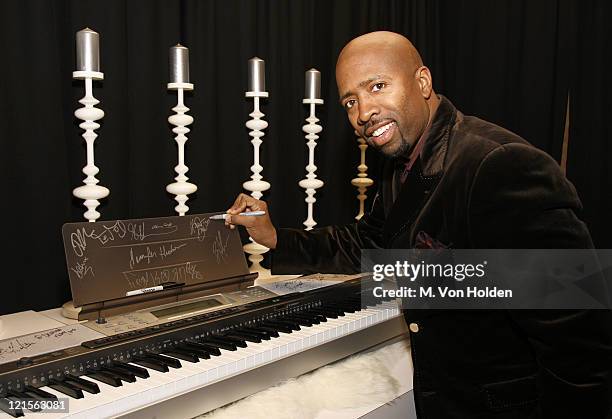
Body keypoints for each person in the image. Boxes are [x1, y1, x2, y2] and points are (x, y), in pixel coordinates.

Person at [225, 31, 612, 418]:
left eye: (378, 86)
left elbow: (579, 340)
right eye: (350, 101)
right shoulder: (404, 162)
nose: (363, 113)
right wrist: (276, 238)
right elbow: (369, 241)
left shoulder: (499, 165)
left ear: (422, 82)